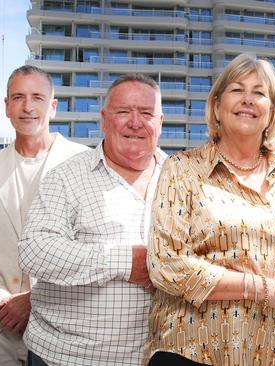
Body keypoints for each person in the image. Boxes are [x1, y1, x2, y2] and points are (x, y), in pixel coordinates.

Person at [145, 53, 275, 365]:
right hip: (194, 352)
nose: (248, 99)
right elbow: (166, 264)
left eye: (259, 92)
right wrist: (261, 289)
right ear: (217, 106)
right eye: (237, 90)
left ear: (271, 111)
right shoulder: (180, 169)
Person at [18, 74, 165, 365]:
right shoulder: (65, 177)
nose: (135, 122)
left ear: (160, 121)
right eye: (123, 111)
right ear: (104, 119)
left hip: (154, 356)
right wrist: (126, 262)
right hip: (67, 357)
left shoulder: (180, 179)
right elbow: (34, 251)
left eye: (146, 113)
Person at [0, 65, 88, 365]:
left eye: (37, 97)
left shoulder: (85, 163)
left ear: (52, 106)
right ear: (6, 107)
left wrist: (33, 301)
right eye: (18, 97)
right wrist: (2, 303)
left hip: (64, 327)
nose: (27, 107)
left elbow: (90, 251)